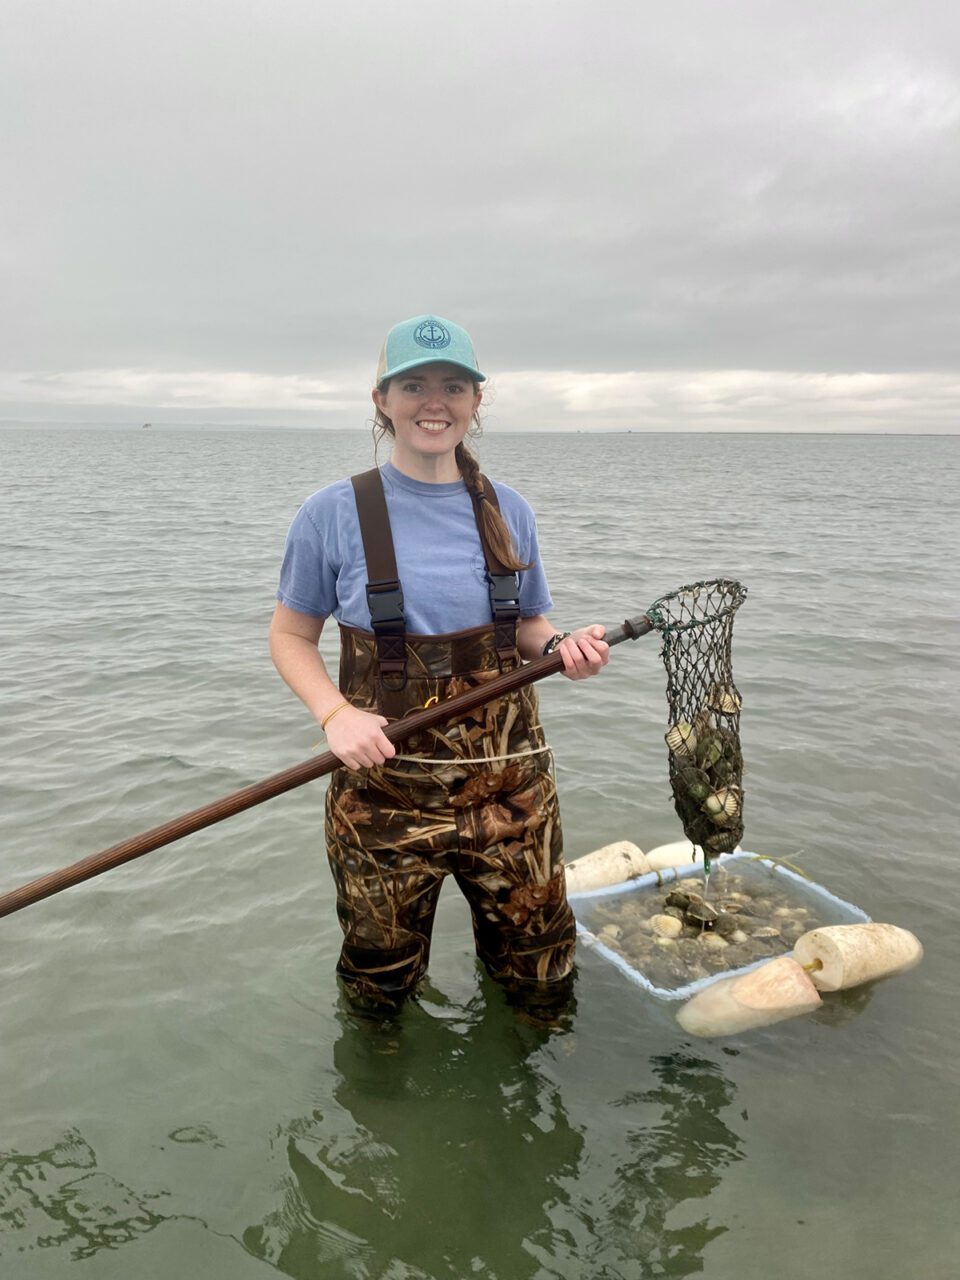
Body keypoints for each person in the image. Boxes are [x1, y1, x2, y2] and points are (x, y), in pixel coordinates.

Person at [269, 314, 608, 1013]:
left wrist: (560, 648)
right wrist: (334, 714)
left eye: (453, 385)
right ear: (381, 400)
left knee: (541, 980)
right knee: (378, 991)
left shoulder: (508, 509)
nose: (435, 401)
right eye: (414, 384)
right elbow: (290, 637)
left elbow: (528, 626)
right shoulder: (332, 512)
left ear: (476, 403)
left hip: (513, 798)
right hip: (382, 803)